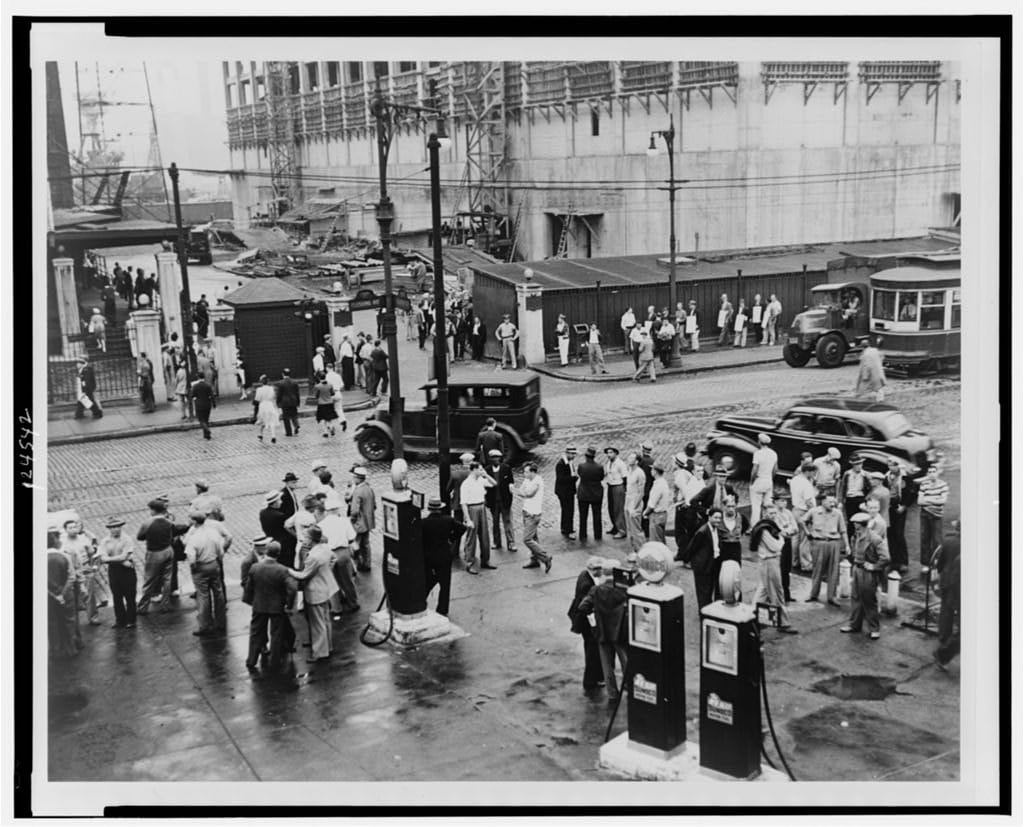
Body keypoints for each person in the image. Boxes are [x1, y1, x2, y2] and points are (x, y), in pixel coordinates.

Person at [577, 559, 629, 704]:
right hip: (619, 631)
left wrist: (594, 617)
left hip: (603, 632)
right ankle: (630, 685)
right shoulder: (623, 589)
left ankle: (612, 693)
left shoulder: (596, 590)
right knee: (625, 660)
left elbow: (583, 607)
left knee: (606, 665)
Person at [243, 542, 297, 673]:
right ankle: (275, 660)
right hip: (276, 606)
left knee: (256, 632)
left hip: (259, 604)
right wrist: (288, 604)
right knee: (276, 634)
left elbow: (248, 587)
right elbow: (292, 588)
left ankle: (251, 659)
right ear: (278, 554)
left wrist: (251, 601)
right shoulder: (282, 570)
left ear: (266, 552)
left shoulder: (255, 567)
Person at [287, 525, 338, 663]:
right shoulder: (325, 549)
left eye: (306, 537)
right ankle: (328, 646)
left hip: (315, 591)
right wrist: (327, 570)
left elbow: (303, 575)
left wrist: (289, 571)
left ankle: (320, 652)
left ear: (311, 539)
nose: (304, 540)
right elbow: (334, 558)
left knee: (317, 623)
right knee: (325, 619)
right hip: (326, 588)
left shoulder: (313, 557)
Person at [840, 512, 890, 640]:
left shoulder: (875, 539)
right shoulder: (855, 537)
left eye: (856, 524)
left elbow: (885, 558)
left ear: (861, 525)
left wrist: (873, 566)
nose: (855, 526)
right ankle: (854, 624)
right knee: (856, 598)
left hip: (868, 573)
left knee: (869, 600)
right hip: (857, 569)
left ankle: (874, 628)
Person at [136, 499, 190, 615]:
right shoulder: (168, 523)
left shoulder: (148, 523)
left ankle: (143, 606)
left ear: (153, 511)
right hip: (168, 551)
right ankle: (165, 604)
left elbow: (140, 537)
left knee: (149, 579)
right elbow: (178, 529)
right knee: (167, 579)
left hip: (154, 553)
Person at [750, 504, 798, 634]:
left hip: (771, 562)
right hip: (769, 562)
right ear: (764, 514)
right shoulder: (764, 529)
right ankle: (783, 623)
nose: (773, 515)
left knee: (763, 591)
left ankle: (751, 616)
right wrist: (782, 538)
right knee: (777, 592)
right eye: (770, 513)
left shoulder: (770, 527)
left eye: (774, 513)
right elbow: (775, 547)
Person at [183, 509, 228, 637]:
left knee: (203, 596)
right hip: (214, 565)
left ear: (194, 522)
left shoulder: (193, 537)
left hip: (200, 567)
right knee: (218, 593)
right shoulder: (214, 533)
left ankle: (205, 625)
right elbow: (220, 552)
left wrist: (194, 568)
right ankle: (221, 622)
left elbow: (191, 560)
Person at [801, 495, 850, 607]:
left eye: (834, 502)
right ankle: (813, 594)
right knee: (817, 569)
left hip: (833, 543)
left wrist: (847, 545)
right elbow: (802, 521)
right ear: (823, 502)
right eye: (829, 502)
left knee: (833, 571)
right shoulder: (814, 511)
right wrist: (808, 533)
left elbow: (843, 531)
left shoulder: (838, 513)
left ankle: (831, 597)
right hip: (818, 543)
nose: (832, 504)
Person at [421, 497, 466, 615]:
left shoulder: (423, 523)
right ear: (440, 508)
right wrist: (451, 539)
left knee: (428, 581)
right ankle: (442, 609)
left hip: (429, 557)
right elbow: (462, 528)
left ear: (429, 509)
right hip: (444, 555)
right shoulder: (448, 520)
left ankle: (421, 602)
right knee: (445, 585)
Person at [568, 557, 606, 690]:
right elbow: (586, 606)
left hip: (582, 618)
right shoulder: (587, 584)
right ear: (591, 569)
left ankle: (595, 677)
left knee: (591, 649)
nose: (600, 571)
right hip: (586, 621)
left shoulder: (584, 575)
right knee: (592, 650)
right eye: (597, 569)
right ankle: (591, 680)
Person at [318, 496, 360, 615]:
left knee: (332, 581)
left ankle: (336, 608)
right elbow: (352, 537)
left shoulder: (321, 525)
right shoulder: (344, 521)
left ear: (327, 511)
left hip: (328, 553)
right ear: (336, 510)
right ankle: (353, 603)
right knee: (347, 579)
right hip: (343, 552)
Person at [96, 517, 137, 629]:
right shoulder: (105, 541)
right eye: (113, 527)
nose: (116, 529)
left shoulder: (127, 539)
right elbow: (103, 558)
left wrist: (111, 559)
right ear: (109, 529)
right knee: (117, 596)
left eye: (118, 526)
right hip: (114, 570)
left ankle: (131, 620)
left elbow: (124, 555)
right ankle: (120, 620)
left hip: (127, 571)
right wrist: (122, 561)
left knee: (130, 596)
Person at [683, 508, 726, 608]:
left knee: (712, 589)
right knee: (704, 593)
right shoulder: (703, 531)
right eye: (715, 517)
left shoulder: (716, 530)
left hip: (713, 563)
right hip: (703, 566)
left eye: (720, 518)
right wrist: (690, 561)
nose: (718, 520)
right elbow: (692, 548)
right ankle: (704, 614)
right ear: (709, 517)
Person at [48, 530, 82, 657]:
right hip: (66, 595)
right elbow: (71, 577)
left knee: (52, 622)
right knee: (69, 620)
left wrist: (53, 595)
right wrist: (62, 594)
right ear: (55, 542)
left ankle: (55, 650)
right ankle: (71, 648)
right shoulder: (64, 557)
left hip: (48, 598)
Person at [933, 520, 961, 670]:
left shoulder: (949, 540)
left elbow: (940, 562)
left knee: (946, 611)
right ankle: (945, 647)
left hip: (946, 580)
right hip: (957, 583)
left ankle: (943, 637)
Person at [461, 461, 496, 574]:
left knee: (484, 535)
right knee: (471, 537)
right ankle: (469, 563)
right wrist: (468, 519)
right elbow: (463, 503)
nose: (482, 471)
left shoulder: (481, 480)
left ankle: (485, 560)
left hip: (482, 507)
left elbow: (494, 483)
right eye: (480, 469)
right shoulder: (466, 484)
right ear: (473, 470)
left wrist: (486, 475)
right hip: (472, 509)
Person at [517, 464, 551, 572]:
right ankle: (534, 560)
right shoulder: (527, 480)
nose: (524, 474)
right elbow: (521, 491)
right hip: (526, 511)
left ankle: (545, 557)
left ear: (533, 472)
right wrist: (521, 492)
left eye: (526, 472)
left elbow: (528, 494)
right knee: (534, 538)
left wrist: (519, 492)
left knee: (527, 539)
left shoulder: (538, 481)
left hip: (533, 514)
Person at [917, 463, 949, 575]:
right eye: (929, 472)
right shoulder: (924, 484)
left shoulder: (943, 485)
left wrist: (928, 500)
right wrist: (935, 499)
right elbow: (919, 501)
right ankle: (925, 564)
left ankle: (937, 564)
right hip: (924, 514)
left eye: (933, 472)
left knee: (937, 540)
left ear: (937, 472)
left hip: (937, 516)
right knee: (925, 539)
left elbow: (943, 501)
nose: (931, 474)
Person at [789, 460, 819, 572]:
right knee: (805, 539)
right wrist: (814, 514)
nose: (814, 475)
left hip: (795, 509)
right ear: (808, 472)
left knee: (795, 538)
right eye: (813, 472)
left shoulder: (795, 479)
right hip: (805, 512)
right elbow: (809, 502)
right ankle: (806, 564)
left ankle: (794, 561)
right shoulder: (806, 484)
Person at [484, 449, 516, 552]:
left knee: (507, 522)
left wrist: (511, 496)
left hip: (505, 500)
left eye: (497, 457)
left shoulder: (506, 468)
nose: (496, 459)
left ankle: (511, 543)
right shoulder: (487, 470)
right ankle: (496, 542)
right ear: (490, 459)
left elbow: (511, 483)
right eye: (493, 457)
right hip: (493, 501)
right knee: (495, 522)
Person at [885, 459, 912, 576]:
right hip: (889, 507)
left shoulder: (905, 477)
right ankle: (893, 559)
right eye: (889, 466)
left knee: (899, 534)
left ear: (898, 466)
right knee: (890, 533)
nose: (891, 468)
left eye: (893, 466)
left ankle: (903, 561)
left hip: (900, 508)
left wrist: (904, 506)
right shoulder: (887, 476)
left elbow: (911, 493)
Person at [349, 466, 377, 573]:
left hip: (359, 523)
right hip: (368, 522)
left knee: (355, 544)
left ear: (357, 478)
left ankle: (357, 564)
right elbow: (374, 506)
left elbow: (354, 510)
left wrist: (352, 520)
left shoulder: (358, 491)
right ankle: (367, 563)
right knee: (366, 544)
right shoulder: (369, 489)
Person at [772, 494, 799, 602]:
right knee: (779, 568)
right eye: (782, 500)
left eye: (785, 501)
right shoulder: (774, 513)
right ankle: (777, 594)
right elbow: (779, 530)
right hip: (778, 543)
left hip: (788, 542)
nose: (784, 503)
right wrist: (787, 530)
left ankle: (786, 594)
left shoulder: (788, 513)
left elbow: (795, 528)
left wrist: (788, 530)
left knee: (787, 568)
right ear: (776, 502)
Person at [576, 446, 606, 542]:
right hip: (596, 494)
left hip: (583, 494)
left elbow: (580, 474)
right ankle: (598, 535)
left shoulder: (581, 466)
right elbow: (601, 478)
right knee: (597, 515)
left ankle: (583, 534)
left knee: (583, 516)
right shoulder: (599, 467)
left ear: (586, 456)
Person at [837, 453, 870, 540]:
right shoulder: (847, 474)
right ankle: (849, 544)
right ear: (852, 465)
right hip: (850, 499)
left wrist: (867, 500)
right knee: (851, 521)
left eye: (860, 464)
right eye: (857, 464)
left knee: (861, 520)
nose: (859, 466)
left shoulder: (865, 475)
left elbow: (870, 488)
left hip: (860, 499)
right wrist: (840, 501)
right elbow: (842, 487)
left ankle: (861, 542)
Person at [749, 433, 778, 525]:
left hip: (759, 480)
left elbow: (754, 469)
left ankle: (754, 526)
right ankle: (769, 522)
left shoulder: (758, 453)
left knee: (756, 505)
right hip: (768, 480)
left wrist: (751, 481)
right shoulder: (773, 453)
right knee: (768, 504)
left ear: (759, 442)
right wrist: (770, 478)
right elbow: (775, 469)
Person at [555, 444, 579, 540]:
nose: (574, 456)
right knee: (568, 510)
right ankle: (569, 530)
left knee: (566, 510)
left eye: (574, 454)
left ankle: (565, 527)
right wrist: (574, 478)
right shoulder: (561, 464)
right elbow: (561, 479)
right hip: (564, 491)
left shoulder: (569, 462)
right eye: (572, 454)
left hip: (567, 490)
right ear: (567, 453)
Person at [643, 464, 672, 543]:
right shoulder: (664, 482)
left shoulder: (658, 485)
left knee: (655, 541)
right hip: (663, 514)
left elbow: (652, 505)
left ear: (655, 472)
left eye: (652, 470)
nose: (651, 471)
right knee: (661, 539)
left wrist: (645, 513)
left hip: (656, 516)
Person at [603, 447, 628, 539]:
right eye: (608, 453)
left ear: (616, 453)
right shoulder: (609, 463)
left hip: (618, 486)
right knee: (611, 508)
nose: (609, 454)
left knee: (618, 509)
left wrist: (624, 489)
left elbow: (625, 477)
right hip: (610, 485)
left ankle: (622, 530)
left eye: (611, 452)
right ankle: (615, 526)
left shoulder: (620, 464)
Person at [856, 336, 887, 402]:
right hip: (878, 372)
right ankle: (880, 400)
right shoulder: (875, 350)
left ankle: (858, 398)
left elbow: (865, 366)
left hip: (870, 373)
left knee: (863, 387)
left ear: (862, 347)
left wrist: (865, 376)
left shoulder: (865, 355)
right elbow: (882, 356)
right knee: (879, 387)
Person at [448, 452, 475, 526]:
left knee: (457, 524)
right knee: (472, 523)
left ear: (462, 461)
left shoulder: (455, 474)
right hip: (472, 502)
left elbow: (448, 489)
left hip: (458, 501)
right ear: (471, 461)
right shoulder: (475, 474)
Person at [275, 368, 301, 437]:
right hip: (293, 401)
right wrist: (298, 402)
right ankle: (296, 425)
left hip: (285, 402)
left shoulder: (280, 383)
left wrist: (278, 402)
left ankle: (289, 432)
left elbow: (279, 394)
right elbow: (297, 393)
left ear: (283, 374)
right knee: (294, 414)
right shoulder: (294, 382)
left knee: (286, 417)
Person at [253, 375, 279, 443]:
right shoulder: (271, 389)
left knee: (263, 420)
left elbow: (257, 399)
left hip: (263, 405)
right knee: (271, 420)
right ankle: (273, 436)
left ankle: (261, 434)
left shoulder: (259, 390)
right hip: (270, 405)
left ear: (261, 382)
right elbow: (273, 397)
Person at [312, 372, 339, 438]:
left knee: (322, 418)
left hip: (321, 404)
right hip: (329, 403)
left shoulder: (318, 386)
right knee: (329, 418)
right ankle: (331, 426)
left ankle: (325, 432)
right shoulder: (330, 385)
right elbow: (332, 393)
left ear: (319, 378)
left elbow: (316, 395)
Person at [190, 371, 214, 440]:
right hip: (207, 404)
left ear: (198, 377)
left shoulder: (195, 386)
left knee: (201, 420)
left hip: (199, 404)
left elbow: (192, 395)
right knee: (206, 420)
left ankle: (206, 430)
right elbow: (212, 395)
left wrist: (194, 398)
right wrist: (214, 404)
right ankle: (206, 435)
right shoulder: (208, 385)